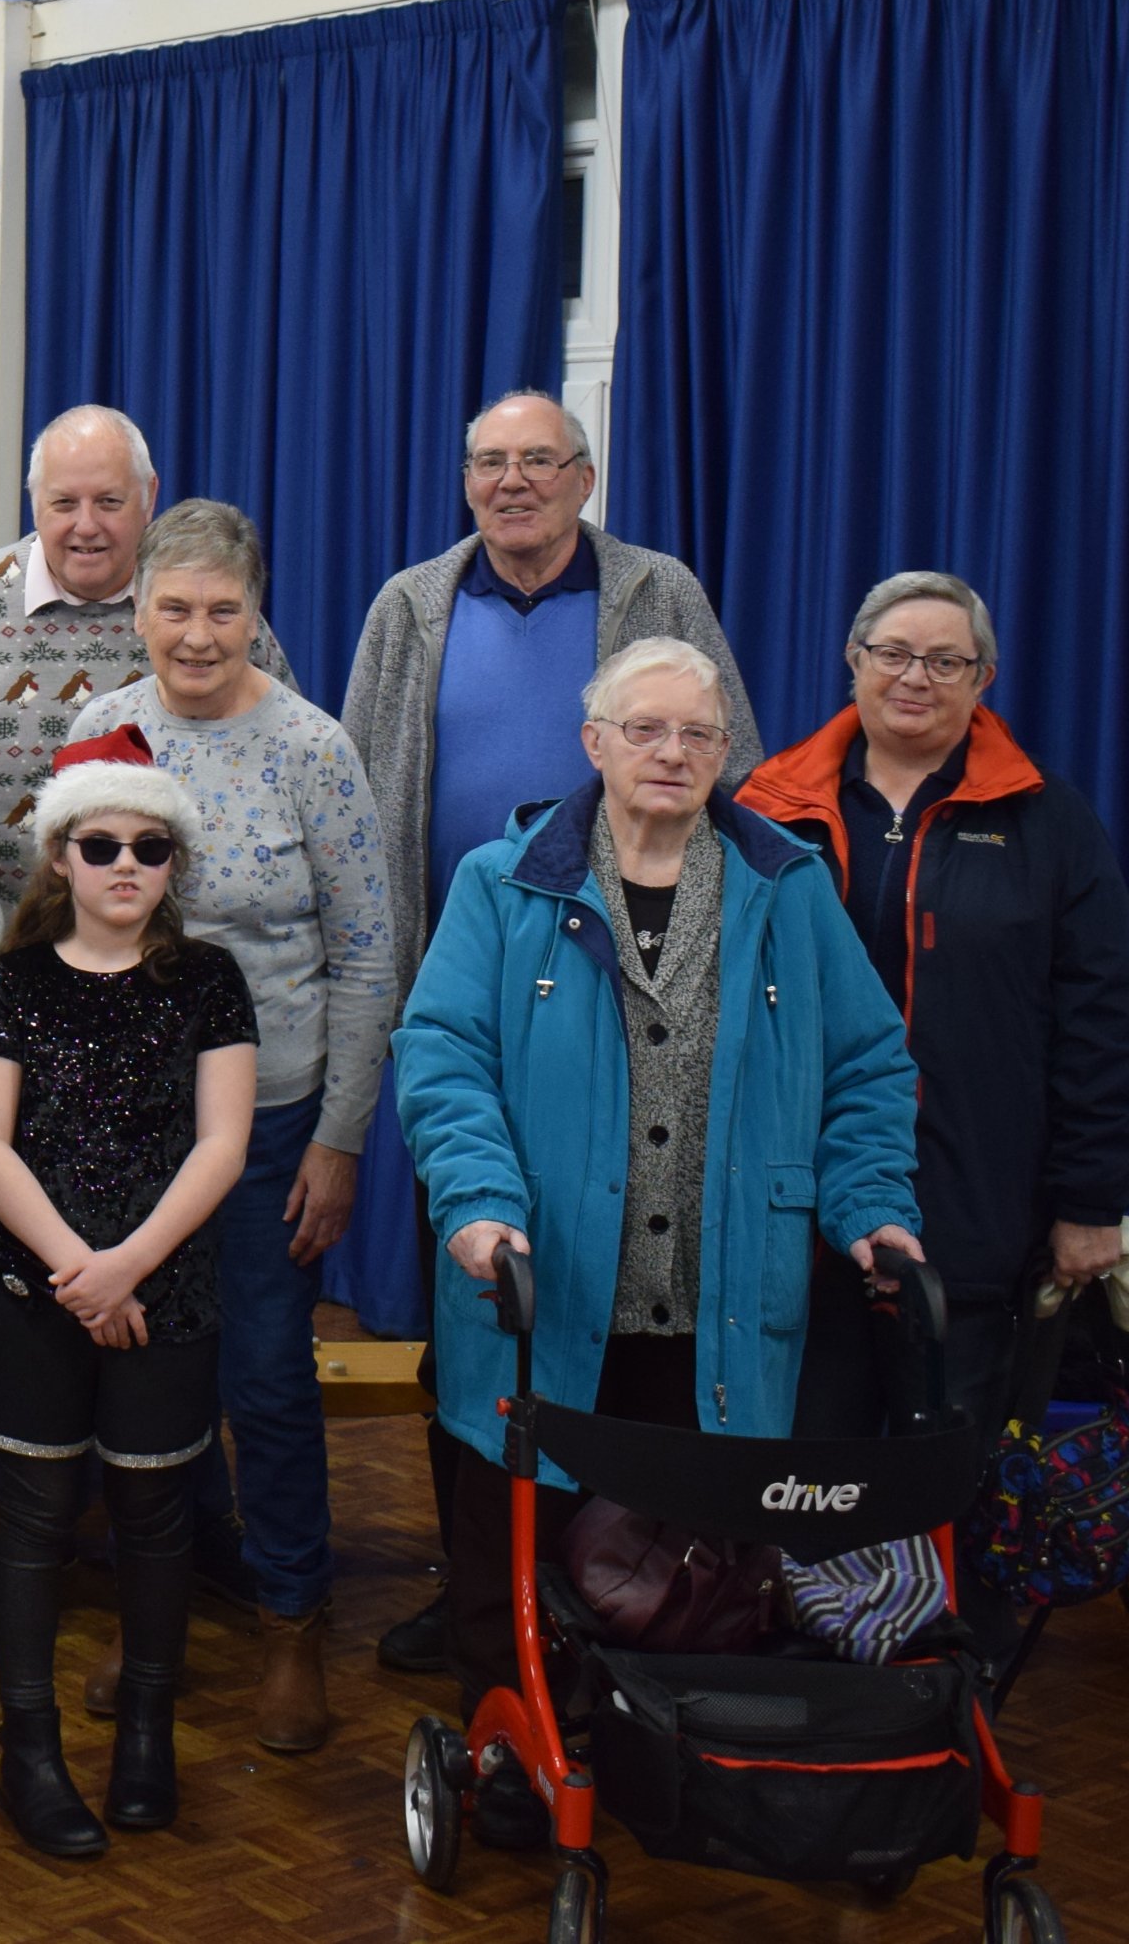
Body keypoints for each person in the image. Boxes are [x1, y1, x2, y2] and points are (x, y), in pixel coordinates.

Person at [390, 639, 926, 1714]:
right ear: (594, 742)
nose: (670, 752)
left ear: (725, 750)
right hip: (543, 1291)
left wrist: (870, 1205)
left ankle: (666, 1759)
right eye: (644, 728)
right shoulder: (503, 883)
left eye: (696, 732)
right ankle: (514, 1751)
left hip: (722, 1300)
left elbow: (868, 1064)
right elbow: (442, 1056)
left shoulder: (786, 886)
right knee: (519, 1553)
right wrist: (478, 1201)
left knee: (696, 1568)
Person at [334, 389, 759, 1677]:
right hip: (465, 1001)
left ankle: (632, 1587)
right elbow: (362, 800)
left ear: (584, 478)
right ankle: (473, 1586)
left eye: (538, 462)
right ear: (466, 482)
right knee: (479, 1307)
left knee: (627, 1315)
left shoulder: (658, 590)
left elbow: (727, 759)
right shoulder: (410, 605)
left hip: (638, 1005)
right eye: (488, 464)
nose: (511, 483)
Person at [62, 501, 394, 1756]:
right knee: (146, 1373)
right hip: (134, 1123)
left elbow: (367, 955)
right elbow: (67, 933)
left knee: (263, 1375)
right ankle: (153, 1612)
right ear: (136, 609)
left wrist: (340, 1136)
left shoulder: (310, 748)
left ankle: (292, 1620)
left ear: (256, 611)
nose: (197, 635)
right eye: (173, 608)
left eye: (223, 609)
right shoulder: (102, 740)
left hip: (271, 1122)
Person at [740, 573, 1129, 1433]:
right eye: (893, 653)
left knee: (948, 1471)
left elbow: (1112, 1021)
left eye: (946, 659)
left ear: (983, 679)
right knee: (801, 1468)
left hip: (977, 1205)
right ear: (853, 661)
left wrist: (1090, 1203)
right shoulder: (763, 809)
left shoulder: (1047, 820)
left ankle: (946, 1577)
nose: (915, 677)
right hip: (793, 1200)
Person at [0, 746, 256, 1857]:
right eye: (101, 845)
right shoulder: (18, 980)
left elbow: (223, 1142)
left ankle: (146, 1732)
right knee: (32, 1520)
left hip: (163, 1284)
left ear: (173, 861)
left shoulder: (209, 977)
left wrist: (128, 1262)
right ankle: (25, 1751)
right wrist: (76, 1271)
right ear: (59, 856)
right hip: (40, 1287)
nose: (125, 864)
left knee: (153, 1518)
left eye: (149, 846)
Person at [0, 407, 287, 915]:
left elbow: (283, 741)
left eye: (109, 502)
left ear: (150, 496)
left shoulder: (206, 611)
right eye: (64, 503)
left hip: (175, 957)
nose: (86, 525)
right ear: (34, 504)